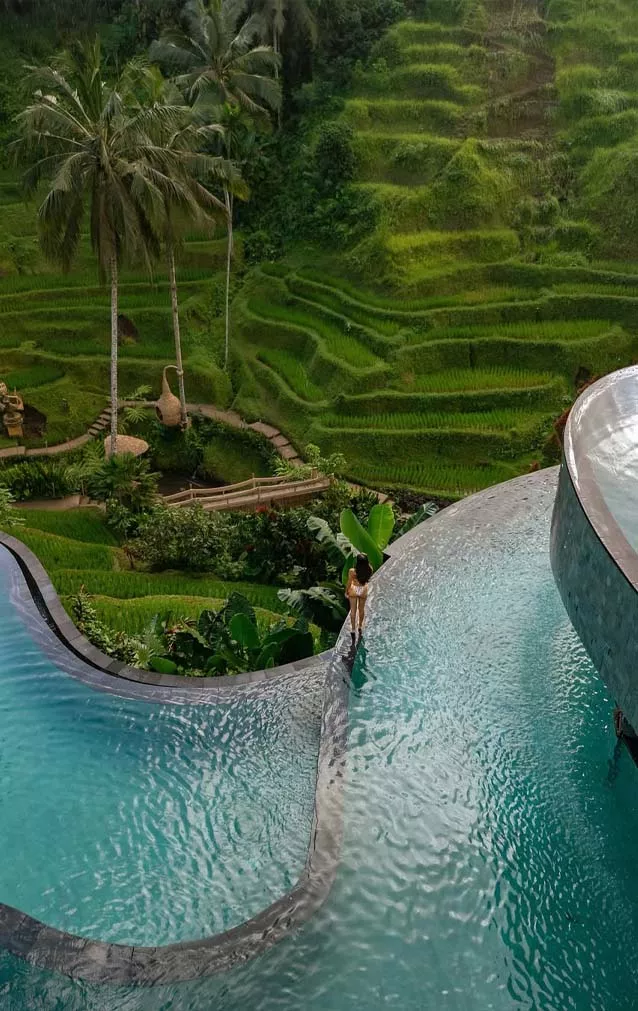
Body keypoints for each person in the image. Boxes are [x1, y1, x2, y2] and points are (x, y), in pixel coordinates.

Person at [345, 553, 373, 636]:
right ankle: (360, 626)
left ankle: (353, 629)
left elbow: (349, 582)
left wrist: (346, 591)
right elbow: (367, 579)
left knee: (353, 611)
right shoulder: (370, 569)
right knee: (361, 609)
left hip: (354, 589)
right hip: (363, 589)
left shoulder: (352, 571)